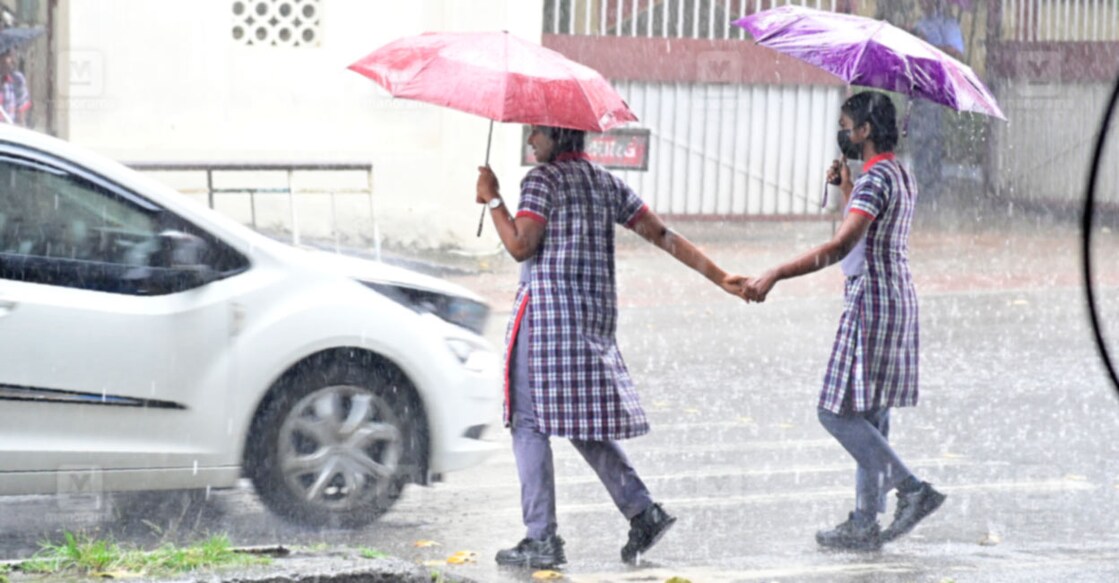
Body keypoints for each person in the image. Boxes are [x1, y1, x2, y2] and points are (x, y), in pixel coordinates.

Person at [475, 125, 747, 569]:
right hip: (589, 320)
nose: (530, 142)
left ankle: (541, 537)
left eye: (536, 134)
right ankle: (643, 511)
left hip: (546, 322)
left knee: (527, 423)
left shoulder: (541, 181)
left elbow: (521, 245)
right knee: (581, 421)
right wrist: (719, 276)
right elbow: (662, 235)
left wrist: (493, 199)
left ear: (558, 135)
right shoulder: (605, 182)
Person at [745, 91, 945, 551]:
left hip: (871, 300)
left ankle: (910, 489)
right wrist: (846, 190)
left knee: (834, 412)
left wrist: (776, 272)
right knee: (871, 415)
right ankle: (864, 520)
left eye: (846, 124)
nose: (843, 133)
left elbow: (841, 245)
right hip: (896, 298)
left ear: (865, 130)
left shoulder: (877, 181)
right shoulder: (898, 174)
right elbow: (865, 229)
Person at [910, 0, 965, 205]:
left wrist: (928, 46)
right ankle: (921, 185)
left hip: (936, 90)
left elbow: (956, 53)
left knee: (931, 138)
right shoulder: (920, 23)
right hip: (917, 88)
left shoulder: (948, 25)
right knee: (916, 139)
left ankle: (932, 188)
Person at [0, 47, 30, 126]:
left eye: (9, 57)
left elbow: (22, 106)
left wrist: (20, 125)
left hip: (9, 130)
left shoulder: (17, 79)